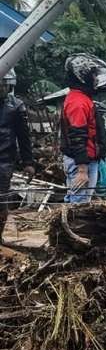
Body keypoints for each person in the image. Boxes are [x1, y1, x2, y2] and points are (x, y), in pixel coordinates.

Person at [60, 53, 106, 204]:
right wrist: (82, 170)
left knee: (78, 201)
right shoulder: (78, 102)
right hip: (81, 163)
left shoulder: (83, 99)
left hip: (86, 161)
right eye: (94, 75)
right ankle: (73, 227)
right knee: (79, 205)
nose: (96, 79)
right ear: (83, 76)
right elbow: (77, 136)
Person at [0, 69, 34, 244]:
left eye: (5, 84)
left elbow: (24, 137)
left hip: (4, 161)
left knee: (1, 201)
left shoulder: (16, 106)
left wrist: (28, 162)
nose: (2, 87)